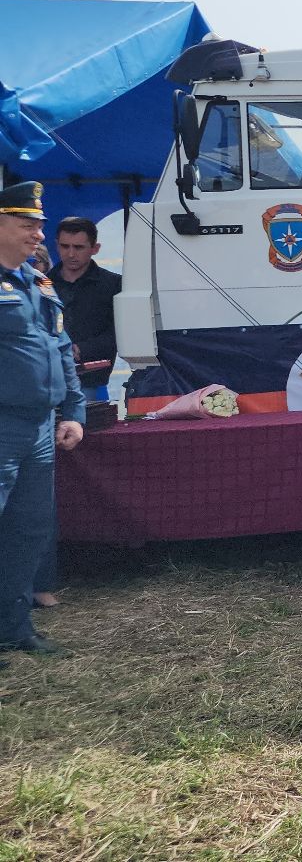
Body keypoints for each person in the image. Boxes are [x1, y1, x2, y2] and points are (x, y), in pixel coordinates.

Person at [0, 181, 85, 660]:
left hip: (38, 430)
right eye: (26, 224)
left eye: (38, 225)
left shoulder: (38, 283)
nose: (38, 234)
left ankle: (13, 626)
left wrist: (72, 411)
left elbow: (60, 350)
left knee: (29, 529)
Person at [51, 216, 122, 400]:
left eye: (78, 247)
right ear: (56, 245)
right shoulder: (41, 284)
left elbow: (120, 333)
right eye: (65, 246)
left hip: (91, 380)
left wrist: (81, 349)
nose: (71, 254)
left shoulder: (112, 285)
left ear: (95, 249)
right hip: (46, 380)